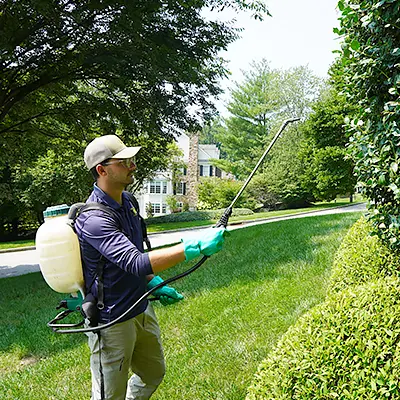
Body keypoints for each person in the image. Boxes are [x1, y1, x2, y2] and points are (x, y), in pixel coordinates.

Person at [75, 135, 227, 400]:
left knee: (153, 373)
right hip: (112, 319)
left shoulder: (130, 202)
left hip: (141, 307)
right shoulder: (93, 218)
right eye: (124, 162)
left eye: (131, 160)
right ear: (102, 170)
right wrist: (192, 247)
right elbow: (133, 262)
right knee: (108, 396)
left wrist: (152, 281)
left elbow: (137, 252)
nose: (132, 165)